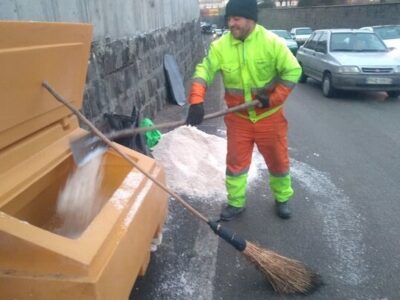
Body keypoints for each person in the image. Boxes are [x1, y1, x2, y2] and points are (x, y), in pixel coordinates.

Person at [186, 0, 301, 220]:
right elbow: (204, 71)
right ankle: (236, 203)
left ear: (250, 19)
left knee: (278, 160)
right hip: (238, 118)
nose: (231, 23)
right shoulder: (221, 46)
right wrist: (196, 101)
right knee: (236, 164)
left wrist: (274, 98)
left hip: (269, 117)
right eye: (229, 19)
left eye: (236, 19)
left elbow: (293, 71)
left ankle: (282, 198)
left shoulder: (271, 43)